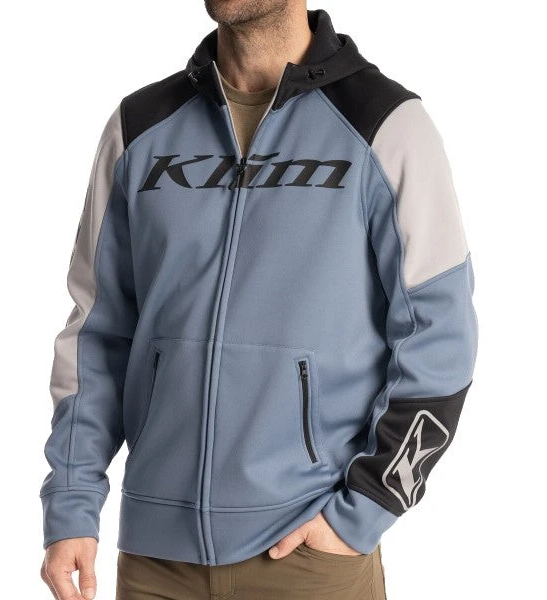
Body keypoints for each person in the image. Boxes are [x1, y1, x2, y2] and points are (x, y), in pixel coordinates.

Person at [39, 2, 479, 599]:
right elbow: (97, 334)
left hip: (308, 556)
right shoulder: (139, 127)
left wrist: (367, 508)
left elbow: (440, 339)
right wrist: (72, 499)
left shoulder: (385, 124)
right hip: (155, 561)